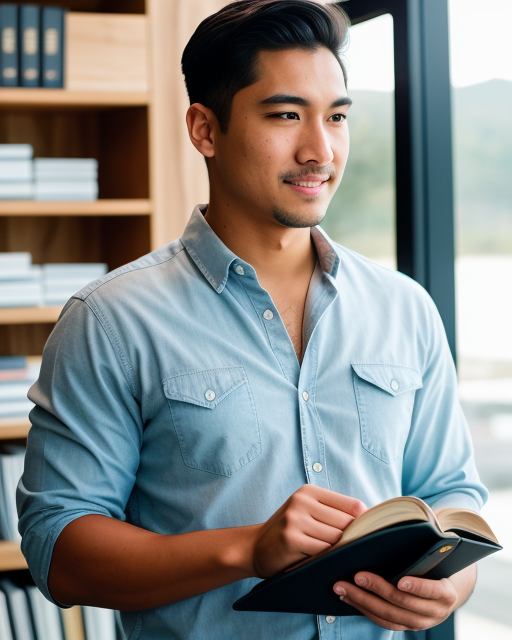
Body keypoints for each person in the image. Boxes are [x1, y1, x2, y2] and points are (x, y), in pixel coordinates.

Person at [17, 1, 487, 639]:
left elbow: (450, 491)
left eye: (338, 117)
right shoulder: (109, 322)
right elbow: (60, 550)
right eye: (287, 115)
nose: (320, 150)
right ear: (205, 130)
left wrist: (451, 585)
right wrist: (246, 549)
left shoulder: (405, 307)